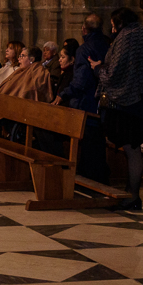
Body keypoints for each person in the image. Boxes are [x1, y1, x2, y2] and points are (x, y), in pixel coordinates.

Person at [92, 7, 143, 210]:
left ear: (120, 22)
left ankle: (132, 196)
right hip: (138, 100)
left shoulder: (127, 37)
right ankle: (131, 193)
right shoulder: (140, 34)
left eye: (113, 24)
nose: (112, 29)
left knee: (132, 148)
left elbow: (115, 72)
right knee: (132, 148)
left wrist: (97, 68)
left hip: (129, 102)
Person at [57, 13, 111, 183]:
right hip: (104, 101)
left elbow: (81, 80)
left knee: (88, 142)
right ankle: (97, 175)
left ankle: (89, 177)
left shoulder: (85, 49)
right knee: (97, 142)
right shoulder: (109, 44)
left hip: (86, 101)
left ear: (83, 29)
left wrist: (63, 94)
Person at [0, 46, 49, 129]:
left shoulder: (38, 72)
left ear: (32, 59)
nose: (19, 59)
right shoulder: (22, 71)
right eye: (19, 56)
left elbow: (27, 93)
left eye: (22, 56)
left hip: (16, 111)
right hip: (7, 105)